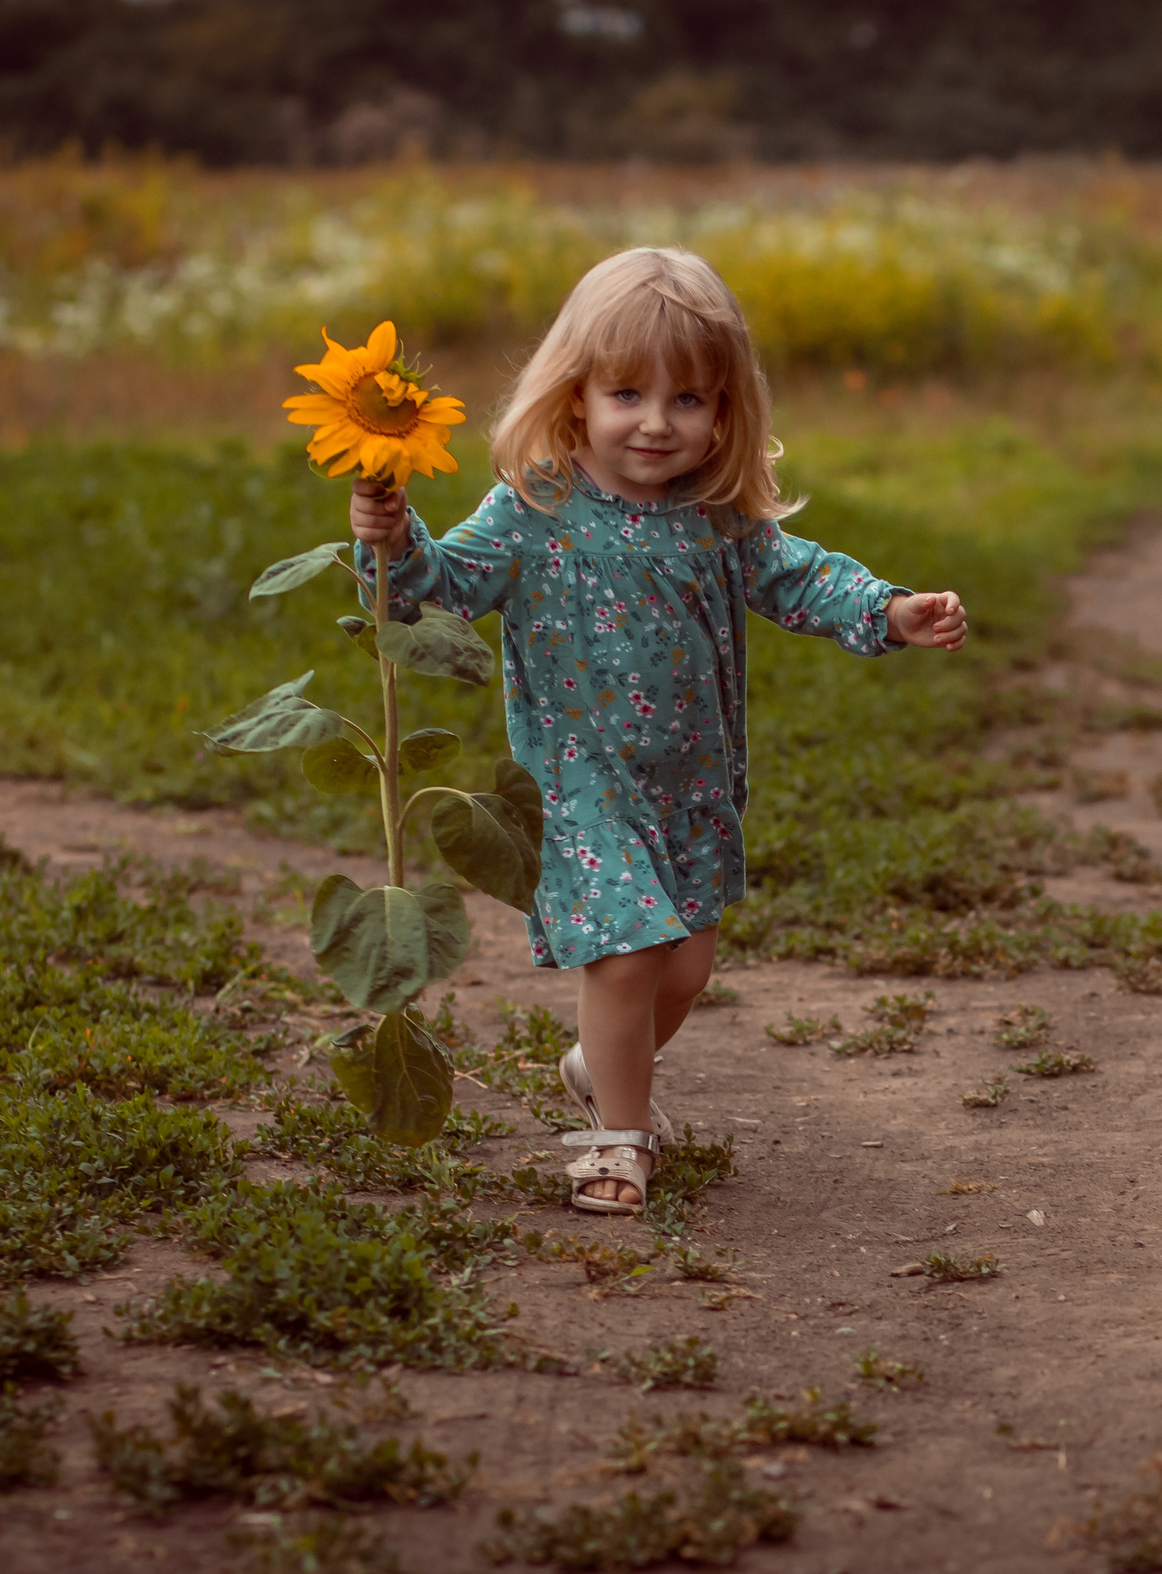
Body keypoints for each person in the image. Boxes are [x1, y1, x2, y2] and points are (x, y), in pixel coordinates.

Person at [348, 247, 968, 1216]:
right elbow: (444, 586)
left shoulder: (717, 517)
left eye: (688, 398)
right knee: (631, 954)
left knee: (685, 966)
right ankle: (618, 1136)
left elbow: (802, 577)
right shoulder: (535, 510)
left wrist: (888, 611)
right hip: (579, 775)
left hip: (693, 782)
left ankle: (600, 1066)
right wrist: (390, 540)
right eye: (628, 391)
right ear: (575, 393)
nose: (655, 421)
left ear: (726, 409)